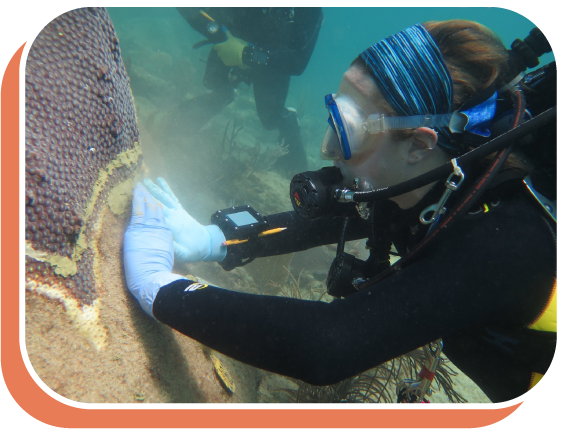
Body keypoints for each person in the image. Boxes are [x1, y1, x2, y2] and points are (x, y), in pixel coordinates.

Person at [123, 20, 556, 403]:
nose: (326, 148)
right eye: (333, 117)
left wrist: (160, 288)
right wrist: (216, 239)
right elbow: (337, 218)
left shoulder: (503, 240)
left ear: (419, 146)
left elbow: (326, 344)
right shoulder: (431, 183)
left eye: (347, 130)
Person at [172, 7, 324, 174]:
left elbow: (297, 62)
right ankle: (181, 127)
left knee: (270, 118)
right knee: (215, 85)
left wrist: (245, 54)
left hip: (272, 60)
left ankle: (289, 123)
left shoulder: (309, 9)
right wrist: (215, 32)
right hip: (231, 37)